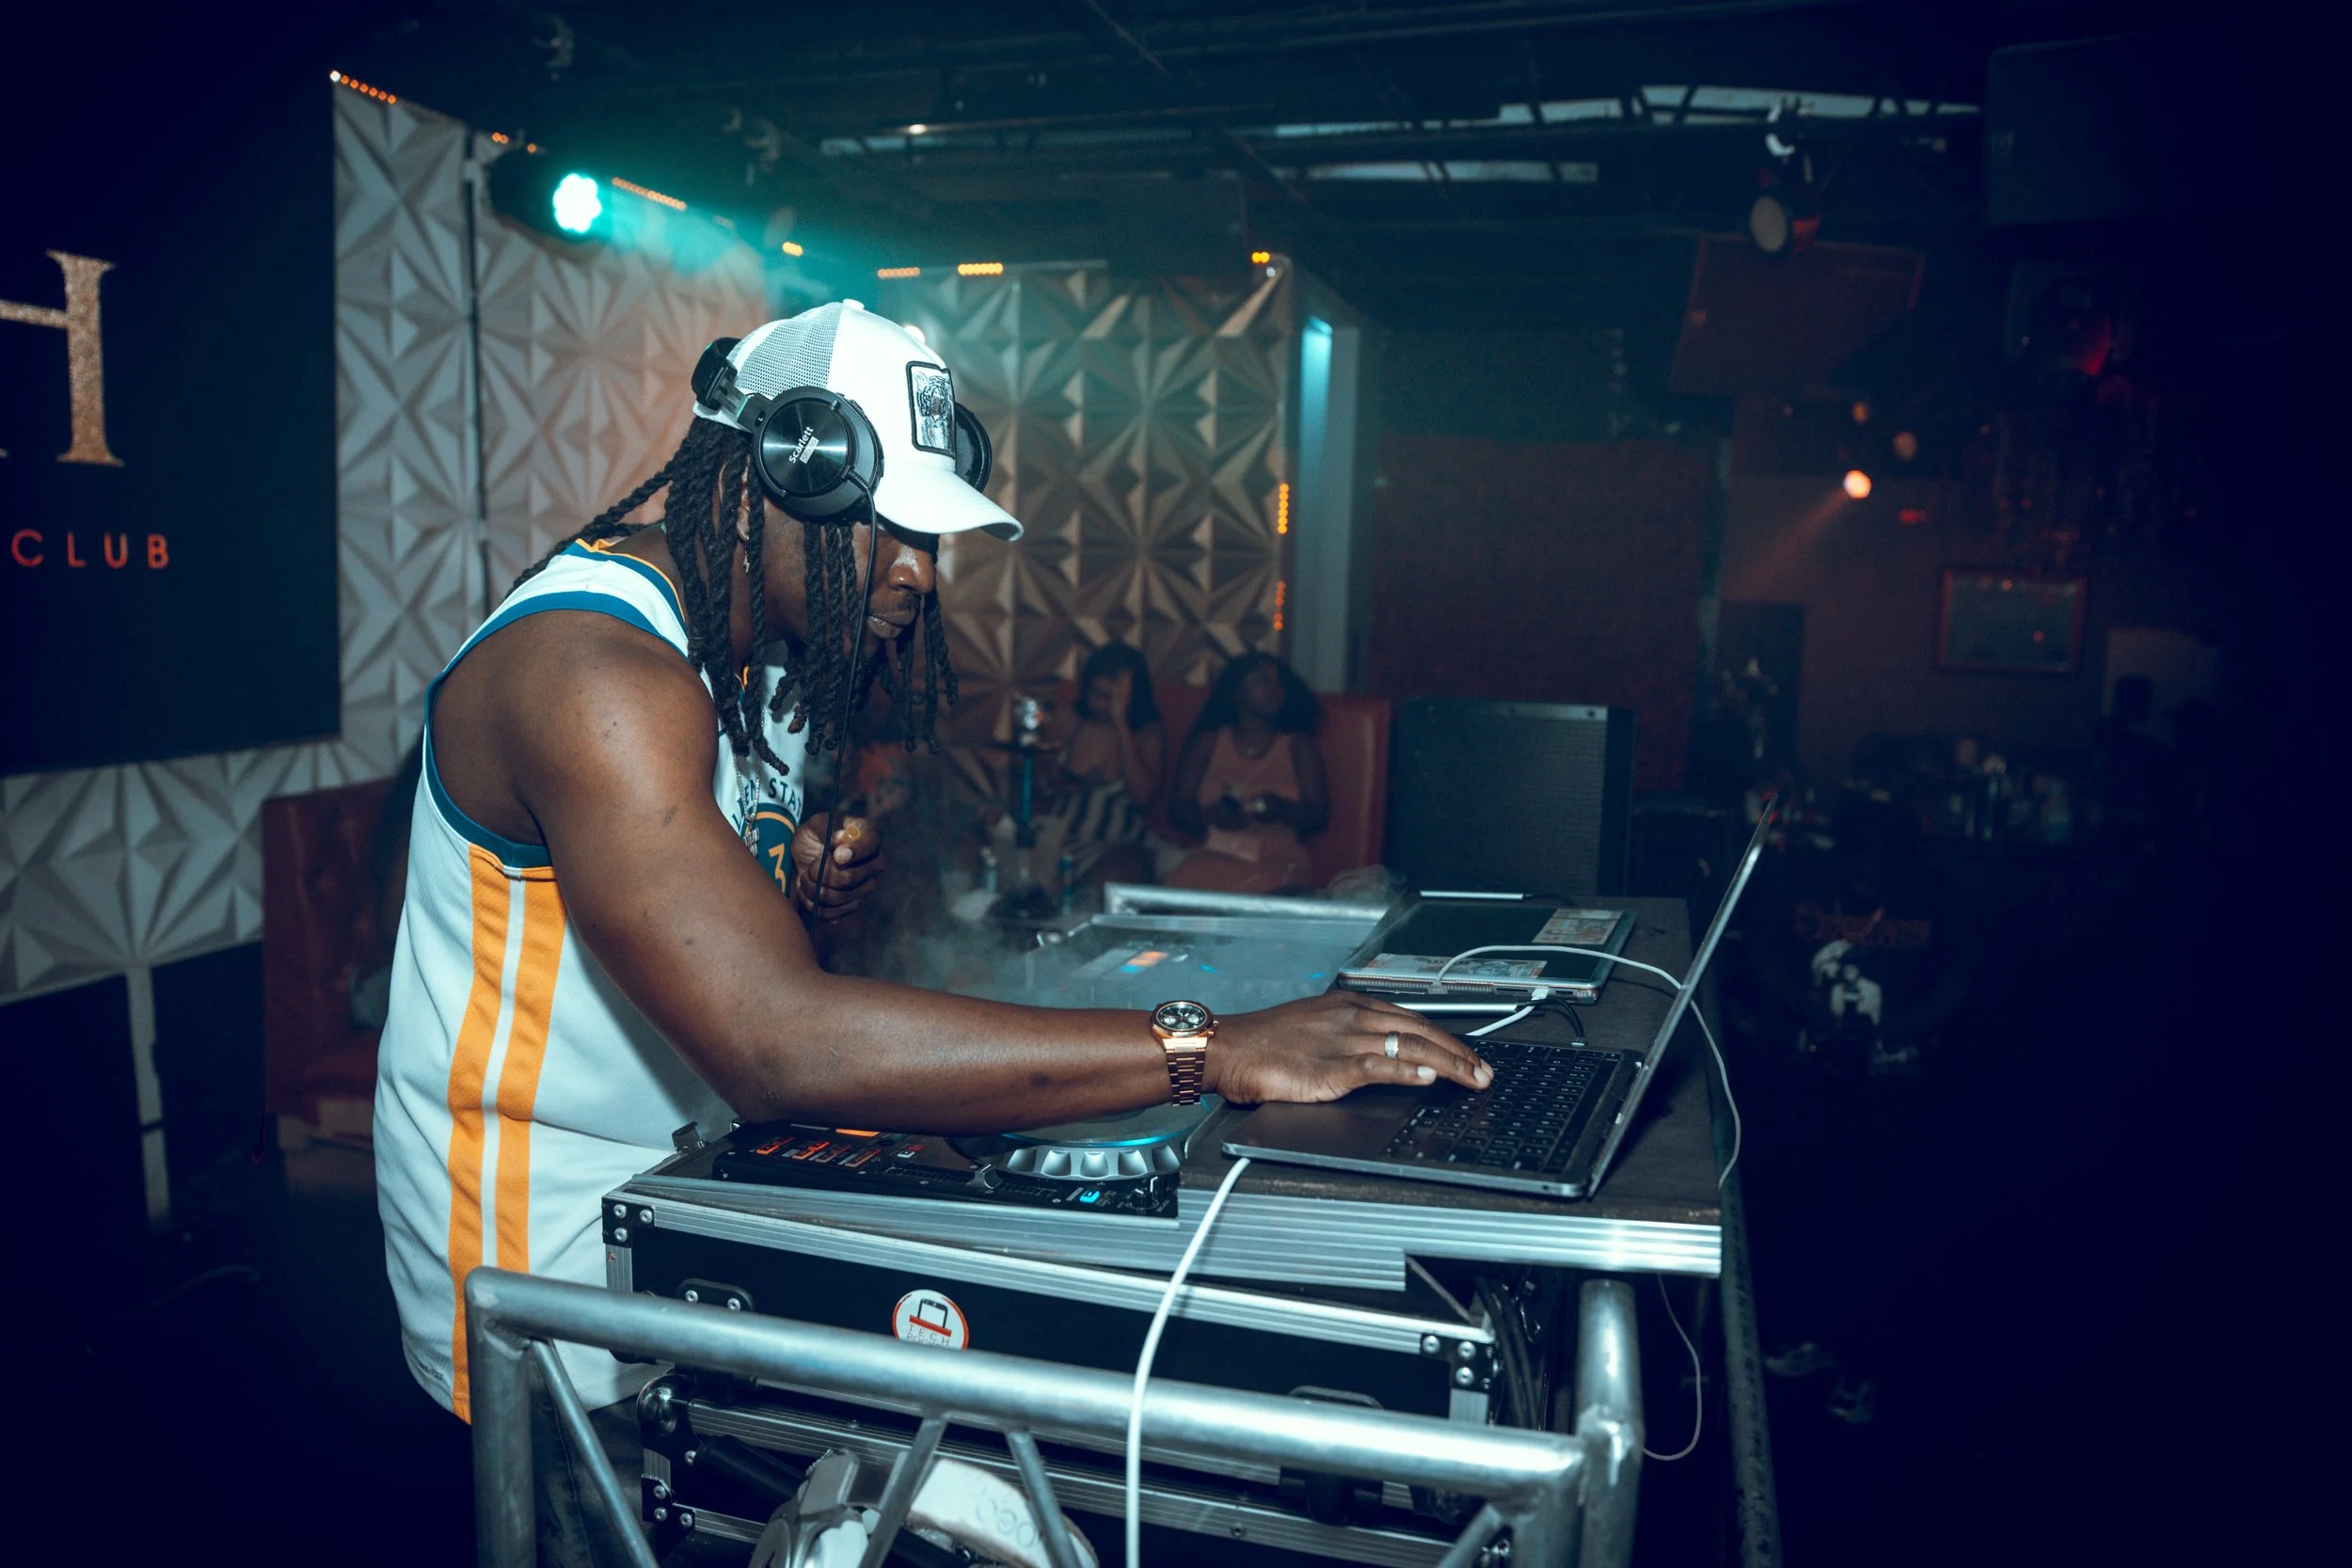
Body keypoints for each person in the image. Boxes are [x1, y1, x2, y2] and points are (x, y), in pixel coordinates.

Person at [371, 303, 1487, 1564]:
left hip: (683, 1201)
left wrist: (786, 898)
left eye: (932, 537)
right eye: (893, 527)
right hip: (544, 1256)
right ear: (775, 476)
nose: (919, 575)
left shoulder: (748, 660)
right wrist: (1207, 1043)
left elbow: (701, 953)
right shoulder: (595, 675)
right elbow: (777, 1040)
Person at [1741, 795, 1971, 1426]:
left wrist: (1890, 1029)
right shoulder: (1805, 883)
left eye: (1879, 864)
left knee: (1878, 1222)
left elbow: (1957, 985)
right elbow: (1761, 956)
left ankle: (1864, 1363)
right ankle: (1815, 1338)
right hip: (1805, 1080)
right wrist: (1809, 1010)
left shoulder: (1936, 897)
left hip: (1894, 1088)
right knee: (1806, 1209)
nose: (1865, 875)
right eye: (1856, 861)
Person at [1168, 652, 1327, 894]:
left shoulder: (1297, 745)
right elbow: (1179, 809)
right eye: (1263, 681)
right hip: (1217, 850)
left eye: (1278, 683)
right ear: (1236, 692)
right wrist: (1211, 816)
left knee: (1265, 891)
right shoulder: (1209, 742)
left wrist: (1281, 808)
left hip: (1277, 856)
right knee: (1182, 884)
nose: (1275, 689)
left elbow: (1318, 815)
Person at [1043, 641, 1166, 889]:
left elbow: (1142, 798)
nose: (1101, 704)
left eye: (1111, 697)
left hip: (1118, 840)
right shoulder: (1067, 719)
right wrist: (1070, 784)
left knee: (1123, 869)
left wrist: (1120, 724)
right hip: (1062, 831)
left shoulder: (1147, 735)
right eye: (1096, 694)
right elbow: (1042, 781)